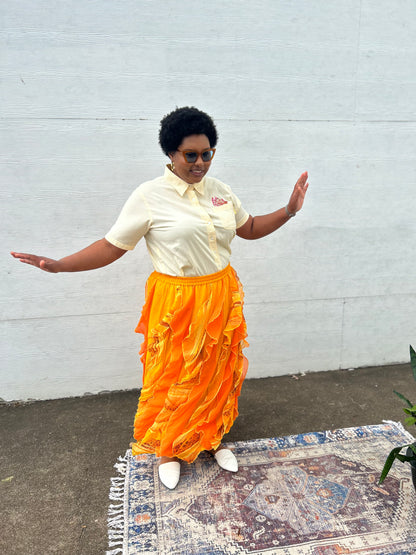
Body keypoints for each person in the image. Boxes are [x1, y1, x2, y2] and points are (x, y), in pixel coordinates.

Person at [11, 106, 309, 490]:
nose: (200, 162)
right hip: (176, 300)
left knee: (217, 371)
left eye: (207, 154)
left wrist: (288, 210)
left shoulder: (220, 192)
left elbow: (248, 228)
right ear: (171, 153)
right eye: (191, 155)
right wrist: (60, 265)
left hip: (220, 295)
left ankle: (211, 437)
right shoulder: (149, 196)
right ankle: (168, 449)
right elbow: (112, 245)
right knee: (172, 374)